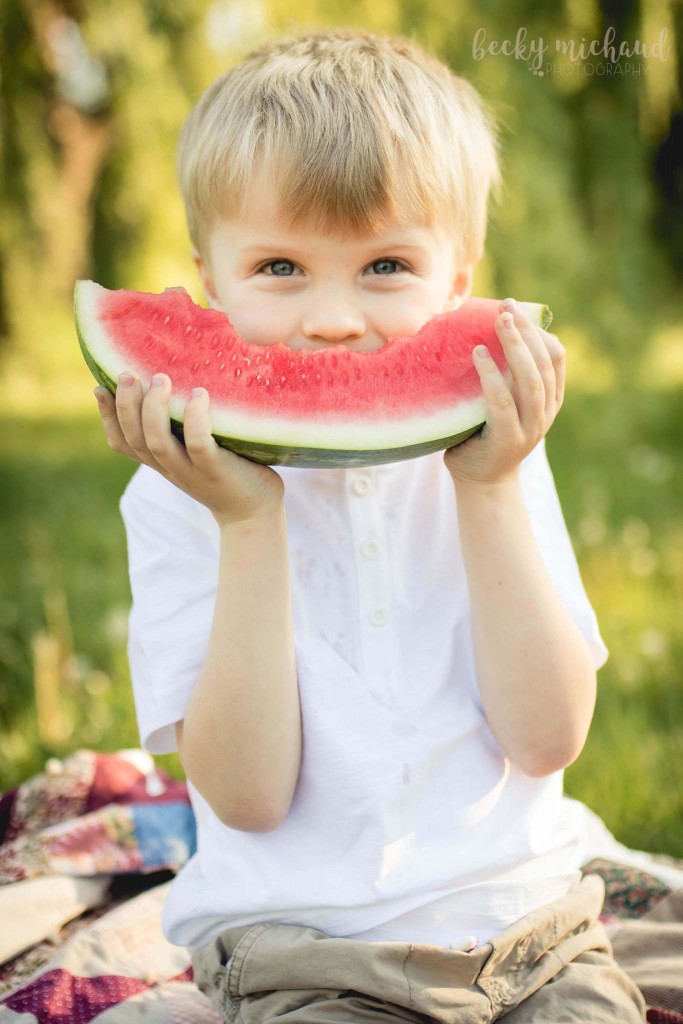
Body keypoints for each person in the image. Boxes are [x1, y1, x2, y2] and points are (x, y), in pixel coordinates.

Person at [94, 27, 647, 1023]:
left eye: (386, 263)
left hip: (529, 929)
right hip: (298, 954)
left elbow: (548, 733)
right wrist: (248, 522)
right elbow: (248, 795)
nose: (335, 319)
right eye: (279, 268)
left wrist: (487, 492)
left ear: (460, 280)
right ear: (206, 284)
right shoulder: (179, 492)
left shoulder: (498, 454)